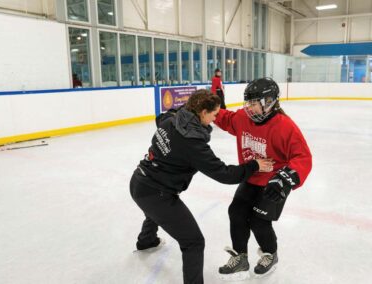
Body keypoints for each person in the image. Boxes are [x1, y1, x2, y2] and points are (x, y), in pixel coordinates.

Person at [130, 89, 272, 284]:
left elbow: (160, 118)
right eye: (214, 114)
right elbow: (224, 174)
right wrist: (254, 165)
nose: (215, 119)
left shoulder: (172, 118)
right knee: (194, 242)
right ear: (203, 112)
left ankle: (147, 241)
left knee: (154, 211)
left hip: (139, 182)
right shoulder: (193, 145)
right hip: (156, 194)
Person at [215, 78, 312, 280]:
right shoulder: (243, 117)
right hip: (250, 177)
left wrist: (285, 179)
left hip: (273, 184)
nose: (248, 107)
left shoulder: (285, 126)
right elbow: (226, 119)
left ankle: (270, 254)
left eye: (253, 102)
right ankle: (240, 257)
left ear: (268, 101)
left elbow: (303, 157)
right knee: (237, 213)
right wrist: (200, 109)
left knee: (259, 221)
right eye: (247, 102)